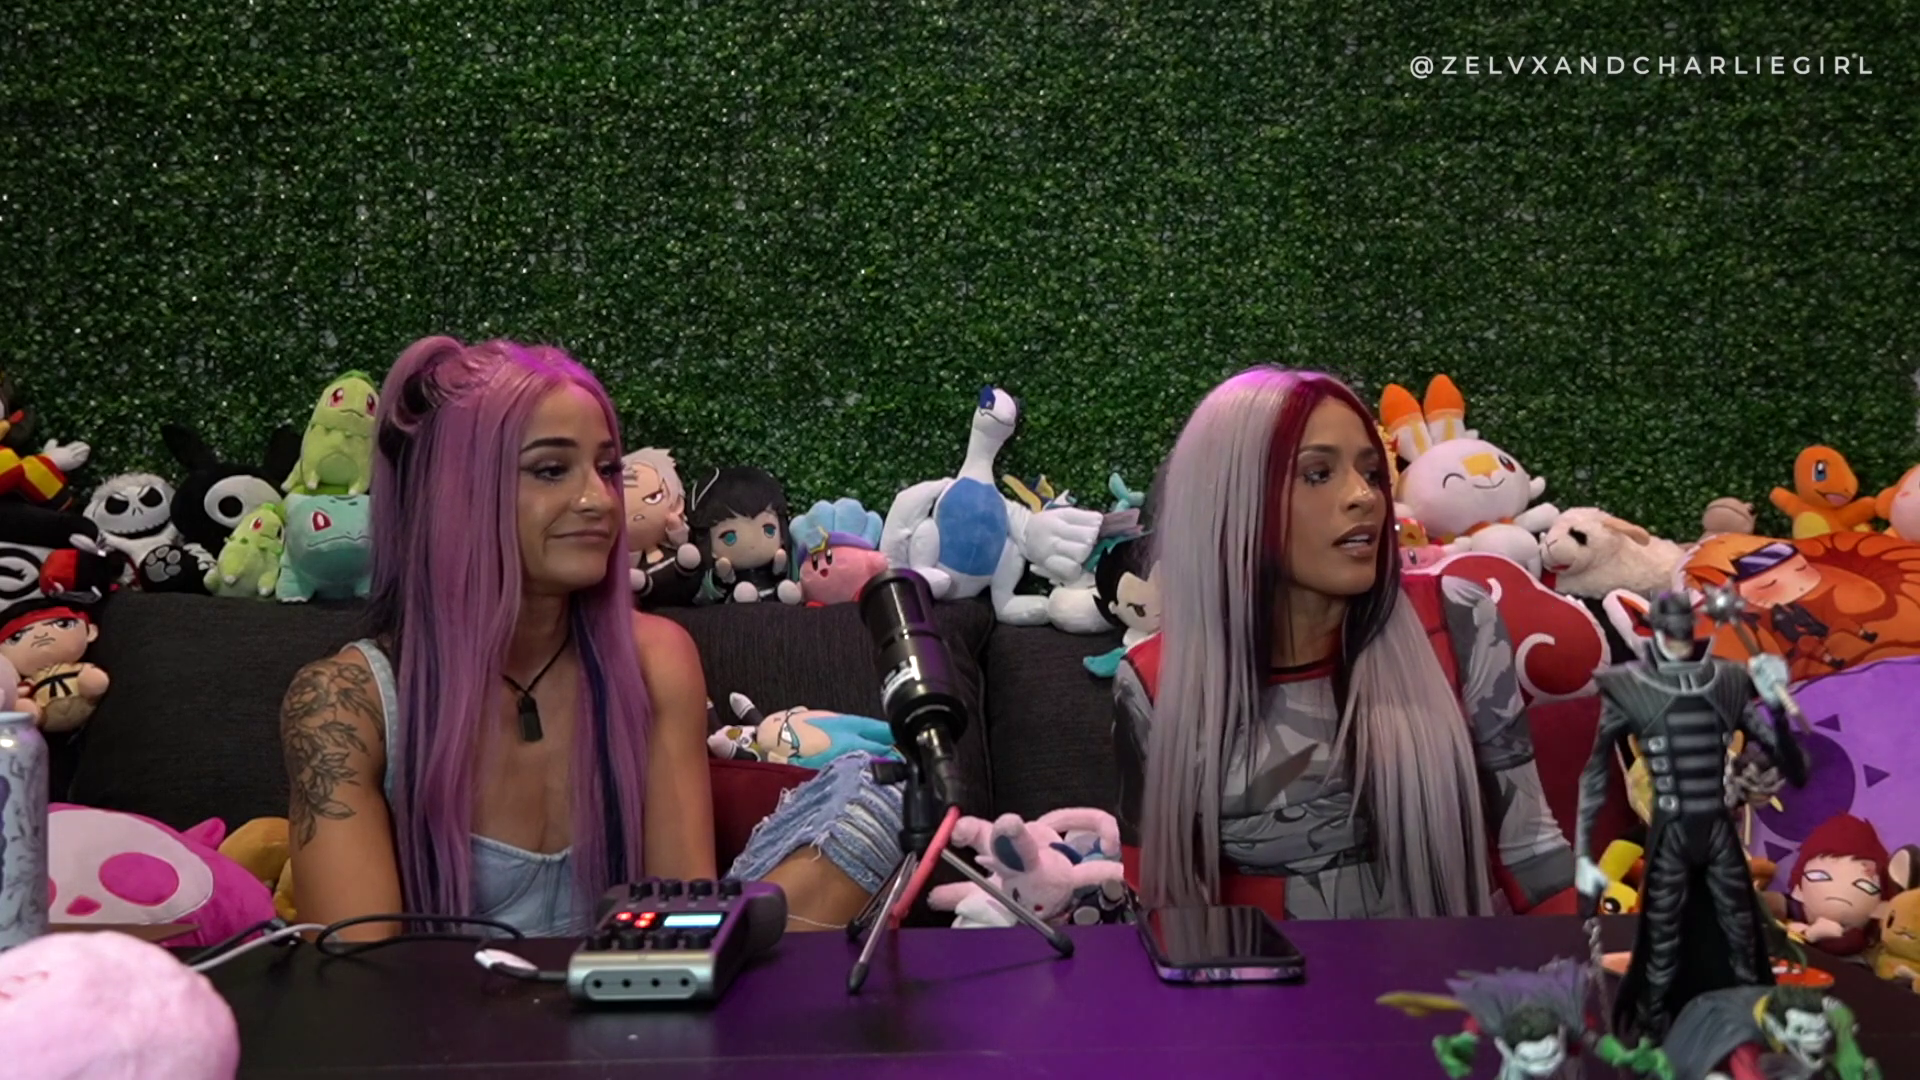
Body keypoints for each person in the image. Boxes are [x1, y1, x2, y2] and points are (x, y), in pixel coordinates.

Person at [281, 336, 904, 940]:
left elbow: (677, 929)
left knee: (881, 801)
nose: (599, 501)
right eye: (551, 470)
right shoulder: (343, 705)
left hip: (635, 998)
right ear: (455, 493)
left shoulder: (655, 659)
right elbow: (361, 983)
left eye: (606, 469)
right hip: (433, 1010)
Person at [1115, 366, 1575, 919]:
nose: (1365, 497)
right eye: (1317, 474)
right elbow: (1161, 905)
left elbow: (1532, 852)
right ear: (1231, 500)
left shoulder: (1458, 618)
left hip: (1444, 970)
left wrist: (1599, 963)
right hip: (1254, 976)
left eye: (1372, 473)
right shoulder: (1152, 681)